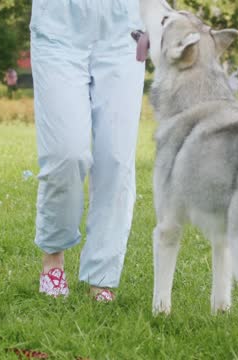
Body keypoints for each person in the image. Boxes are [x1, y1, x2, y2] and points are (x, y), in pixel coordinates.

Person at [30, 0, 145, 301]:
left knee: (116, 158)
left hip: (125, 29)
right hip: (58, 26)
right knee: (66, 153)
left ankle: (101, 276)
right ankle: (53, 257)